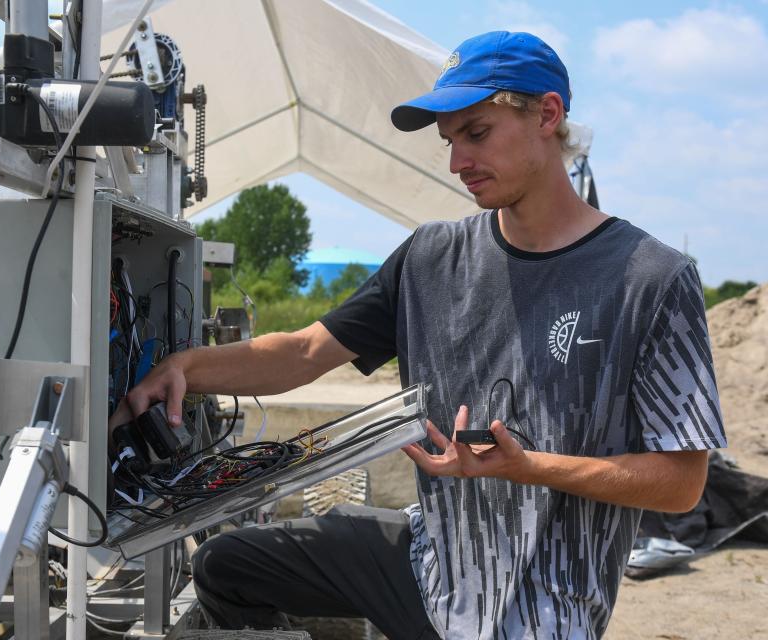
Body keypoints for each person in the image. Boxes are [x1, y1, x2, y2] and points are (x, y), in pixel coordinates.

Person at [121, 31, 726, 639]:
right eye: (449, 141)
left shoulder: (652, 277)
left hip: (543, 610)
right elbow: (305, 352)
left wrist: (530, 467)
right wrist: (186, 367)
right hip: (429, 562)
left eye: (477, 133)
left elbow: (680, 483)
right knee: (227, 565)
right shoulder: (431, 258)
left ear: (547, 114)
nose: (458, 162)